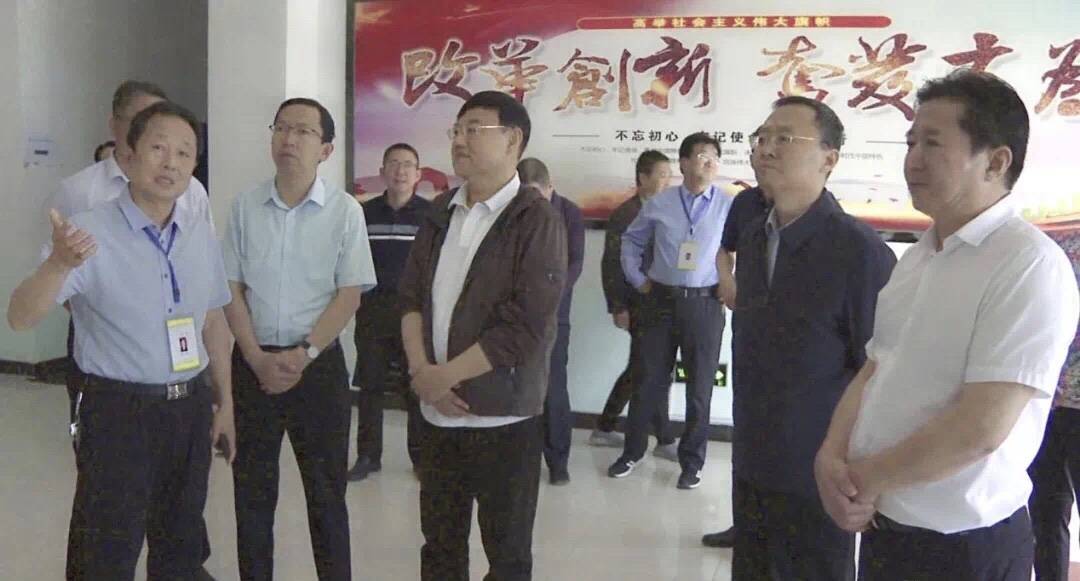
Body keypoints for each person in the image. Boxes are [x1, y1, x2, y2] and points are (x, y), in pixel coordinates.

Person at [817, 70, 1080, 580]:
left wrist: (861, 479)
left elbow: (981, 428)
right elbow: (876, 367)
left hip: (964, 547)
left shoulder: (1027, 264)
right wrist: (831, 455)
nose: (913, 159)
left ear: (996, 162)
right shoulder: (921, 256)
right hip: (886, 524)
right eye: (910, 142)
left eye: (932, 143)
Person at [8, 101, 233, 581]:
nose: (171, 163)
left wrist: (225, 401)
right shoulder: (87, 232)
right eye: (158, 148)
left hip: (189, 407)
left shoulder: (198, 232)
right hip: (118, 411)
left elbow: (213, 320)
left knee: (181, 545)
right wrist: (58, 265)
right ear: (127, 156)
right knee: (106, 548)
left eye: (184, 153)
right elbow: (20, 317)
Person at [725, 96, 896, 579]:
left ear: (829, 158)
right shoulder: (755, 237)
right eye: (762, 137)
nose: (766, 148)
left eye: (785, 138)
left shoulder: (860, 252)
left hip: (819, 470)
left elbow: (880, 372)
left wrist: (862, 472)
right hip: (752, 456)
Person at [398, 90, 567, 580]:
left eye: (474, 129)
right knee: (440, 546)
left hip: (503, 417)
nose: (459, 140)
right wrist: (422, 373)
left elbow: (526, 324)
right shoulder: (440, 211)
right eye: (457, 129)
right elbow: (409, 300)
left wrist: (444, 375)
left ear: (513, 140)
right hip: (437, 414)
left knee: (507, 555)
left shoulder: (536, 218)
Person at [223, 97, 376, 581]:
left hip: (318, 368)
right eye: (281, 128)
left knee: (326, 495)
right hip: (252, 366)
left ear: (326, 149)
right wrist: (254, 357)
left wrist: (303, 355)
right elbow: (230, 288)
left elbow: (350, 293)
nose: (289, 139)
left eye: (304, 131)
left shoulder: (345, 212)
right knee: (251, 493)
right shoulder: (245, 207)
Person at [608, 132, 731, 490]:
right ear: (684, 163)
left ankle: (691, 462)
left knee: (700, 388)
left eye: (714, 158)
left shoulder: (728, 206)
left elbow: (742, 248)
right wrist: (637, 279)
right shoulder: (660, 203)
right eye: (702, 156)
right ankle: (632, 451)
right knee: (647, 379)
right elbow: (631, 241)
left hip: (705, 304)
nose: (709, 163)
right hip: (659, 301)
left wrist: (731, 282)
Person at [349, 142, 430, 482]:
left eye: (408, 164)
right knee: (370, 388)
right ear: (382, 172)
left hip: (414, 314)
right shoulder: (364, 214)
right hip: (372, 312)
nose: (400, 171)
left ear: (418, 174)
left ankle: (421, 459)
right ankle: (368, 456)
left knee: (416, 387)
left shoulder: (431, 216)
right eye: (394, 164)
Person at [591, 150, 677, 461]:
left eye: (669, 175)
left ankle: (605, 426)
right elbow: (612, 264)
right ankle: (664, 438)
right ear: (643, 178)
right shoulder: (626, 214)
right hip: (636, 303)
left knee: (645, 367)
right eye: (662, 175)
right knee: (652, 368)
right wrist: (618, 307)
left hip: (660, 302)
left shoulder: (664, 210)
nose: (667, 181)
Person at [517, 157, 585, 485]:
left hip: (554, 313)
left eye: (537, 195)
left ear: (550, 188)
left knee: (554, 386)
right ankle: (523, 459)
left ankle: (558, 462)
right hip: (516, 313)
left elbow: (575, 264)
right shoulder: (513, 211)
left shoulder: (568, 213)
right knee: (520, 386)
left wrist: (546, 298)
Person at [1029, 227, 1080, 581]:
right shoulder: (1054, 245)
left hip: (1043, 399)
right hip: (1044, 402)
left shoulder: (1051, 245)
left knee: (1046, 514)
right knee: (1045, 513)